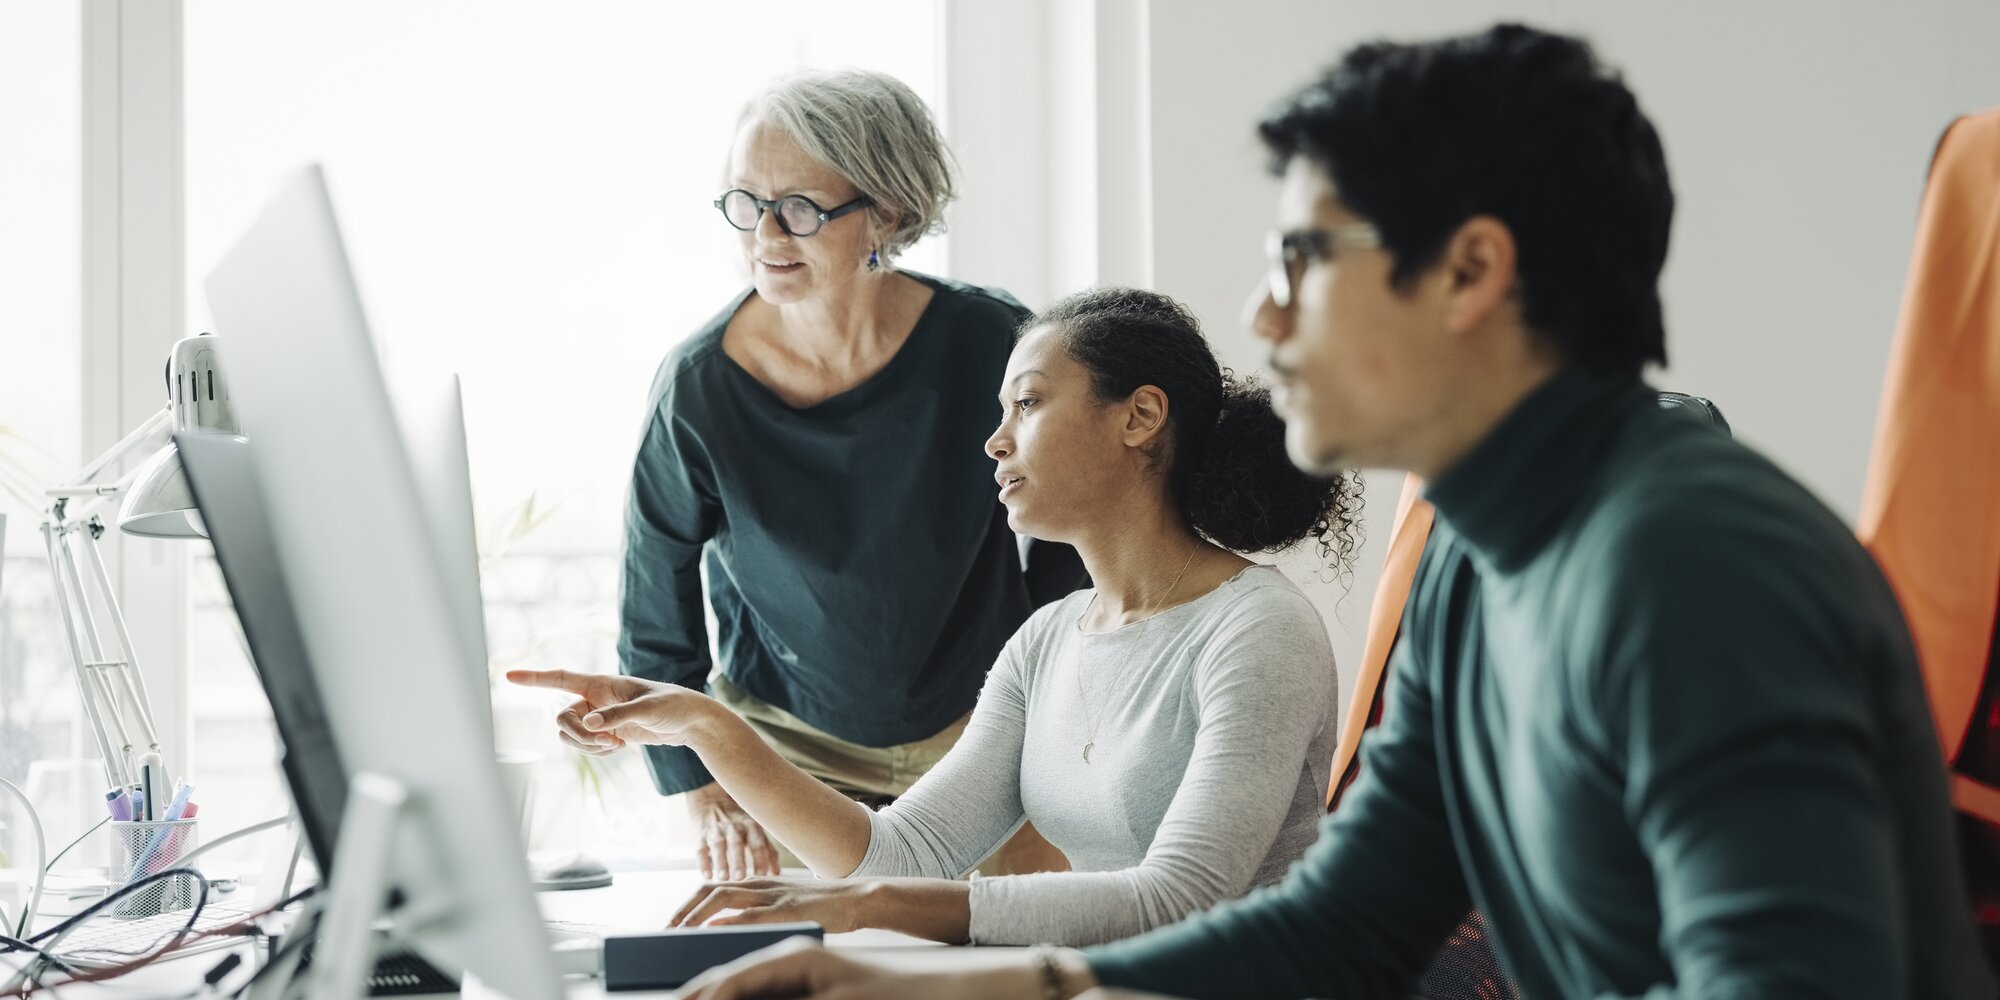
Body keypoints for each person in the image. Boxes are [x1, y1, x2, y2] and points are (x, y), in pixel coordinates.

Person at [674, 24, 1997, 1000]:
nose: (1260, 317)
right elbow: (1346, 923)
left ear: (1472, 271)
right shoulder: (1484, 560)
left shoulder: (1691, 566)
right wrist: (926, 981)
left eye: (1304, 256)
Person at [515, 287, 1360, 945]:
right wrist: (706, 728)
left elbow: (1179, 900)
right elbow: (899, 853)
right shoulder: (1046, 641)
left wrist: (876, 908)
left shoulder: (1256, 629)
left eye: (1027, 405)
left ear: (1139, 417)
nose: (996, 441)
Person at [614, 68, 1085, 880]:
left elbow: (1067, 544)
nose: (764, 235)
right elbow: (656, 608)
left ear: (888, 212)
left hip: (985, 740)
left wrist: (1049, 726)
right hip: (787, 756)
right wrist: (701, 788)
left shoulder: (992, 340)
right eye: (743, 202)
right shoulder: (697, 387)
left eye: (799, 207)